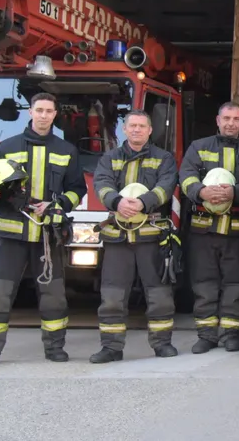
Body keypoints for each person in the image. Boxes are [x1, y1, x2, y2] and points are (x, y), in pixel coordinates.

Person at [0, 93, 84, 365]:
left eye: (49, 111)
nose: (43, 115)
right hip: (11, 234)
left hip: (47, 234)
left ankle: (55, 348)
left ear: (55, 115)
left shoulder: (67, 151)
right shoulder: (7, 147)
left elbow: (78, 189)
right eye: (39, 110)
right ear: (30, 112)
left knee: (53, 296)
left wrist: (58, 205)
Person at [90, 110, 180, 363]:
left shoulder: (164, 158)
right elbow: (102, 184)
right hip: (117, 238)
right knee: (112, 296)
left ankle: (162, 344)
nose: (137, 130)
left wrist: (143, 203)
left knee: (159, 294)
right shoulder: (110, 158)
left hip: (151, 237)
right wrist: (117, 202)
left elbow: (166, 186)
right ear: (124, 130)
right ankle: (111, 347)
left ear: (150, 130)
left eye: (142, 126)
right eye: (132, 126)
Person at [179, 101, 239, 354]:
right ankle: (206, 334)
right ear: (218, 120)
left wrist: (234, 193)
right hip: (204, 228)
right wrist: (200, 191)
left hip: (238, 229)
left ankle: (231, 333)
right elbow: (186, 176)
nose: (231, 123)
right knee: (204, 283)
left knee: (237, 283)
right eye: (226, 118)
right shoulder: (198, 147)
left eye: (236, 119)